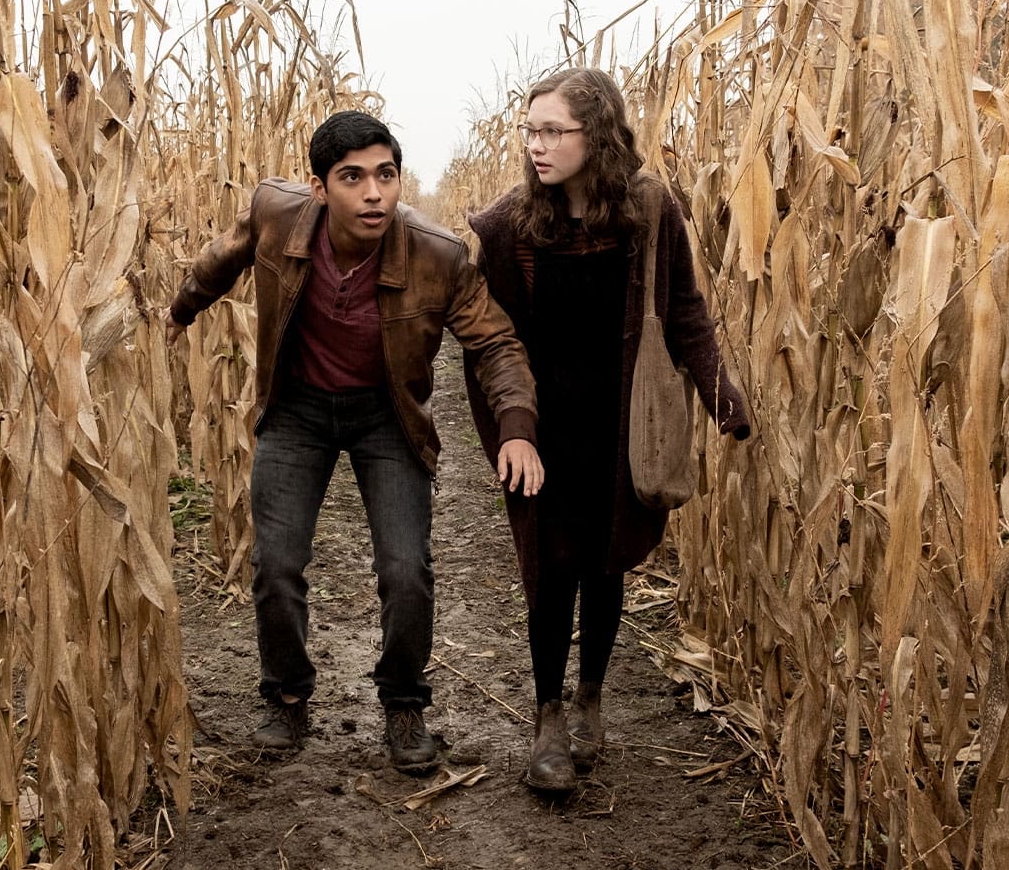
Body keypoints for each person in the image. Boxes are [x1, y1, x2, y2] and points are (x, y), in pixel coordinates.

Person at [168, 111, 545, 775]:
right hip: (298, 410)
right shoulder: (276, 213)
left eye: (386, 175)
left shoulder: (438, 255)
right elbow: (224, 257)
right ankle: (286, 695)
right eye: (353, 178)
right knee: (277, 564)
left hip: (386, 416)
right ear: (320, 188)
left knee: (406, 569)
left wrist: (517, 426)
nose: (374, 193)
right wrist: (178, 310)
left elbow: (495, 343)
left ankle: (404, 702)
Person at [464, 68, 750, 793]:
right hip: (540, 424)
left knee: (605, 561)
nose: (537, 144)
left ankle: (592, 700)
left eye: (553, 130)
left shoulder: (650, 212)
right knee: (549, 569)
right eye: (529, 130)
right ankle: (548, 717)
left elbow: (686, 313)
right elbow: (490, 345)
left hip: (622, 421)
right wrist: (509, 433)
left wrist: (724, 399)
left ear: (599, 135)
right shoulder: (507, 228)